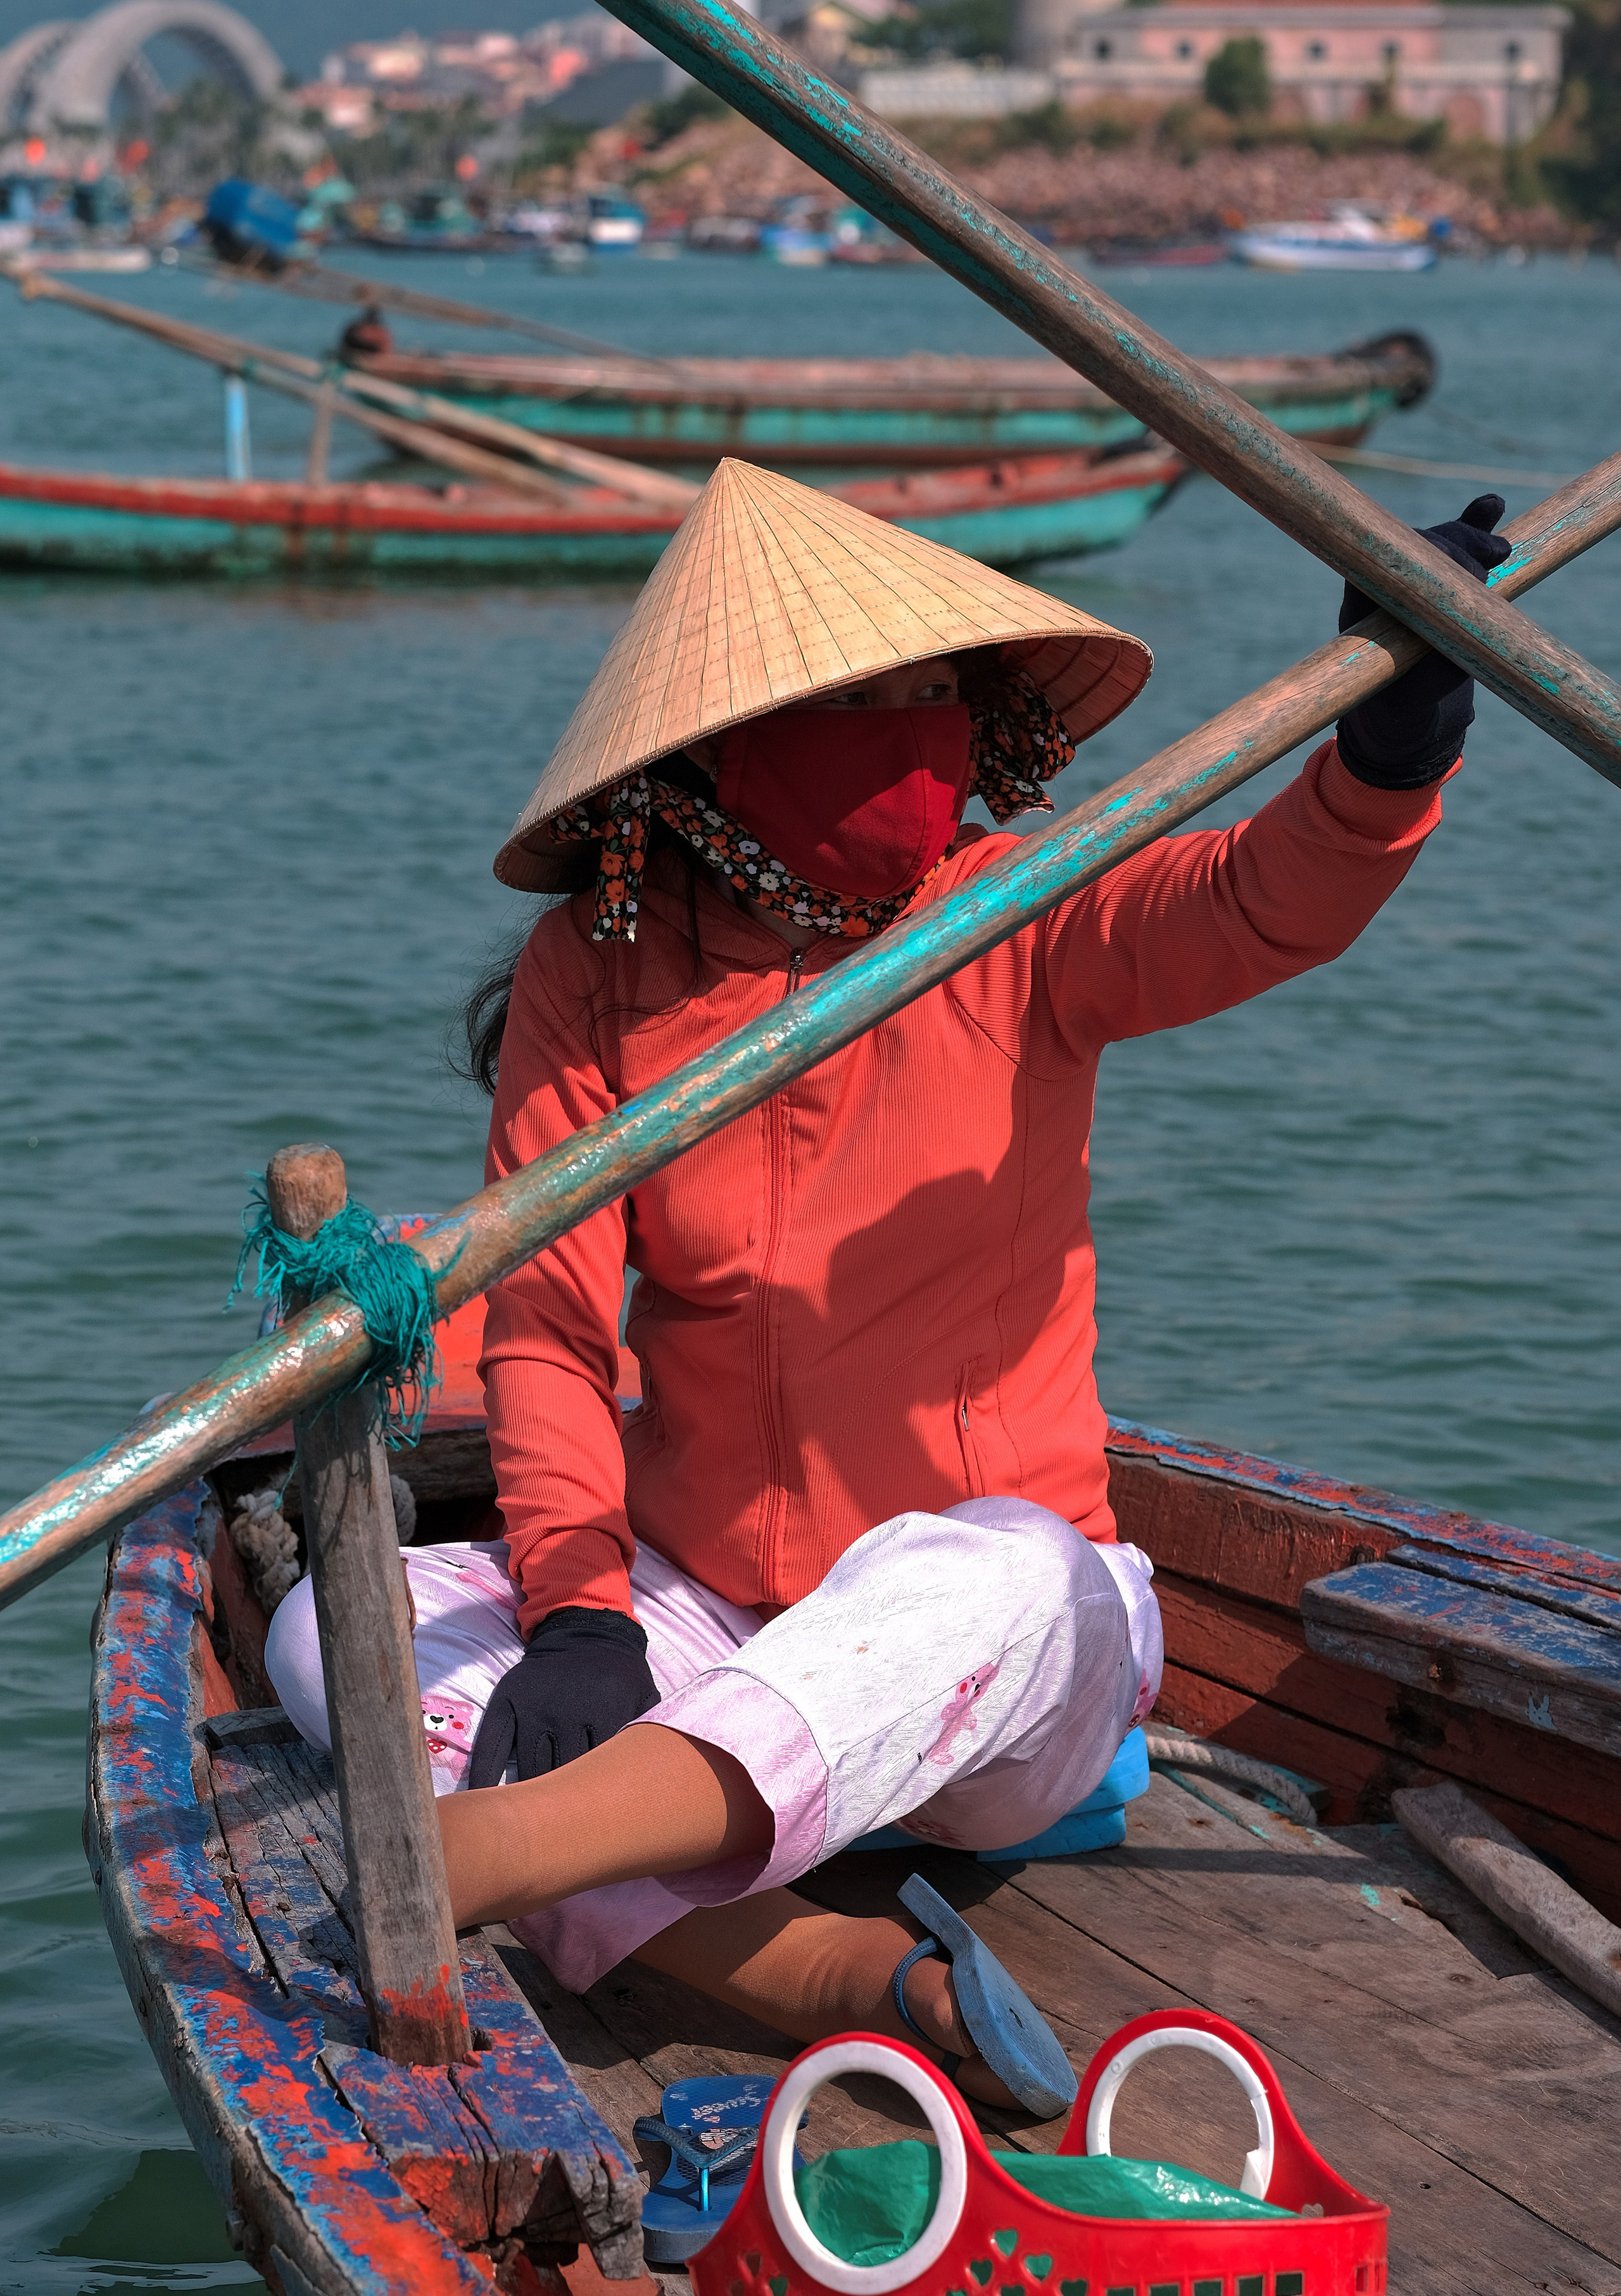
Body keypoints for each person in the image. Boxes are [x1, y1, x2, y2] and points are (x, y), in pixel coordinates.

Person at [265, 459, 1509, 2112]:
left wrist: (1392, 737)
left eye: (940, 690)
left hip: (992, 1688)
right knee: (328, 1629)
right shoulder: (603, 972)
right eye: (871, 697)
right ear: (727, 741)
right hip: (706, 1613)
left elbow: (1254, 900)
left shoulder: (1010, 909)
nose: (919, 730)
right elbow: (552, 1336)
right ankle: (847, 1974)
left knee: (1007, 1569)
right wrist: (576, 1612)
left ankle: (468, 1855)